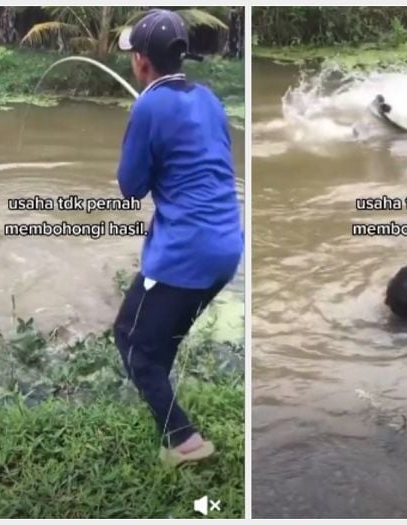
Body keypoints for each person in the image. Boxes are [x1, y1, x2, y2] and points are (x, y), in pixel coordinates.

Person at [113, 9, 243, 467]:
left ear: (142, 62)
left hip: (185, 251)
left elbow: (131, 187)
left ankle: (184, 441)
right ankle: (163, 403)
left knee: (129, 339)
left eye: (133, 55)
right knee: (154, 342)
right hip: (227, 247)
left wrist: (137, 131)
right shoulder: (208, 98)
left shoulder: (148, 104)